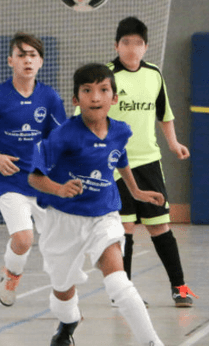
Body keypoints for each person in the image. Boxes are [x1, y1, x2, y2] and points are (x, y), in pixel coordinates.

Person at [28, 63, 170, 346]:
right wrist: (59, 188)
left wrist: (137, 190)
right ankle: (68, 322)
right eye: (87, 91)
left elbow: (119, 160)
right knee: (62, 289)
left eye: (103, 90)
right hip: (61, 221)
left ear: (114, 97)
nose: (96, 96)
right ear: (76, 100)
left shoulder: (120, 130)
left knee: (119, 282)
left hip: (103, 215)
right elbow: (34, 178)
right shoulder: (61, 137)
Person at [77, 16, 196, 307]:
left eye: (138, 43)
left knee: (160, 226)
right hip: (114, 166)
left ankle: (179, 287)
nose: (132, 49)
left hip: (149, 162)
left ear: (146, 47)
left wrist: (173, 143)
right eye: (126, 43)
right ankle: (124, 293)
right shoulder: (104, 76)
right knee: (124, 229)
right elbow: (91, 114)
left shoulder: (154, 74)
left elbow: (164, 113)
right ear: (116, 45)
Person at [0, 32, 66, 306]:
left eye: (32, 55)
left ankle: (68, 305)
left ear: (41, 61)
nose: (27, 61)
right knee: (23, 239)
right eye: (21, 55)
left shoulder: (50, 98)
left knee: (61, 246)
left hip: (41, 180)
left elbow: (59, 139)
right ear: (10, 60)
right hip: (7, 180)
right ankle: (11, 275)